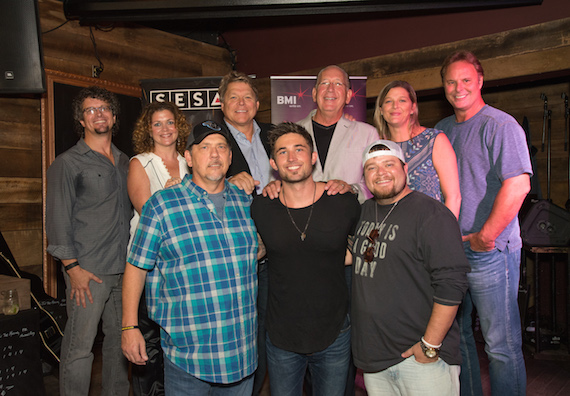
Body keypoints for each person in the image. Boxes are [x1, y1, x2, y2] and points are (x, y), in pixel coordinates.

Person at [122, 120, 261, 395]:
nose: (215, 154)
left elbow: (258, 250)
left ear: (230, 157)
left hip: (242, 353)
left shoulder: (246, 203)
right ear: (188, 156)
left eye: (222, 147)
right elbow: (136, 266)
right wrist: (129, 326)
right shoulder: (162, 205)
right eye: (205, 147)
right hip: (189, 358)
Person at [435, 50, 532, 396]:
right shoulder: (442, 130)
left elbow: (519, 184)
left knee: (500, 347)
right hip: (452, 252)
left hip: (490, 252)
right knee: (458, 341)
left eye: (465, 80)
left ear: (479, 81)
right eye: (450, 81)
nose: (458, 87)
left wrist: (485, 236)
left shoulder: (500, 125)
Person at [351, 140, 470, 396]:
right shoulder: (363, 212)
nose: (380, 172)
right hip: (375, 358)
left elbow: (452, 285)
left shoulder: (431, 215)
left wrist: (430, 345)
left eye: (388, 164)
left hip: (420, 359)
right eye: (371, 168)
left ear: (405, 169)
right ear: (364, 176)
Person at [251, 122, 360, 396]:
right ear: (273, 163)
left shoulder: (343, 202)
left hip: (334, 331)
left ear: (312, 157)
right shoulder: (262, 207)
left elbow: (361, 252)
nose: (292, 158)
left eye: (299, 149)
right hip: (281, 336)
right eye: (283, 152)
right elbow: (256, 251)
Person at [46, 86, 131, 396]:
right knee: (80, 347)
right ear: (80, 120)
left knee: (118, 343)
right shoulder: (67, 163)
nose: (99, 114)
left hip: (126, 270)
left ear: (114, 116)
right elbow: (56, 220)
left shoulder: (125, 162)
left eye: (104, 109)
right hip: (88, 272)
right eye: (91, 110)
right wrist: (73, 268)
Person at [127, 101, 191, 396]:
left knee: (179, 340)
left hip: (185, 262)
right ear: (148, 130)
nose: (165, 129)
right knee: (151, 343)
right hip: (150, 264)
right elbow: (145, 209)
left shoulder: (192, 161)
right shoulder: (140, 163)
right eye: (157, 124)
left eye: (170, 122)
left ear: (179, 127)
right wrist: (170, 194)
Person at [218, 71, 273, 395]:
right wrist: (227, 182)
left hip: (274, 250)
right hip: (234, 253)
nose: (241, 104)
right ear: (221, 102)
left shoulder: (273, 135)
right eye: (234, 97)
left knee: (265, 331)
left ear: (257, 103)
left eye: (248, 97)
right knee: (234, 332)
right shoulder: (211, 140)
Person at [373, 80, 461, 218]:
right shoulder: (377, 148)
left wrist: (445, 234)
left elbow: (453, 197)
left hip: (430, 229)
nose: (395, 106)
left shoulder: (434, 140)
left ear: (413, 107)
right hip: (391, 231)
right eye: (389, 101)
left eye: (402, 100)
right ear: (381, 110)